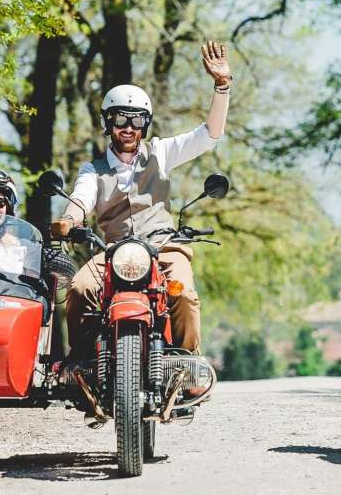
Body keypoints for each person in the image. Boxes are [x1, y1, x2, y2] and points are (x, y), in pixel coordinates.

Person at [50, 41, 232, 359]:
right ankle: (82, 363)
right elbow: (81, 197)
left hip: (163, 248)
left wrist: (222, 86)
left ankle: (186, 363)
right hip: (115, 253)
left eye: (136, 120)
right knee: (79, 288)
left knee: (184, 294)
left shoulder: (161, 153)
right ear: (108, 123)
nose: (129, 128)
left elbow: (209, 136)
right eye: (120, 119)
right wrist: (69, 220)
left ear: (145, 124)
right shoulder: (93, 168)